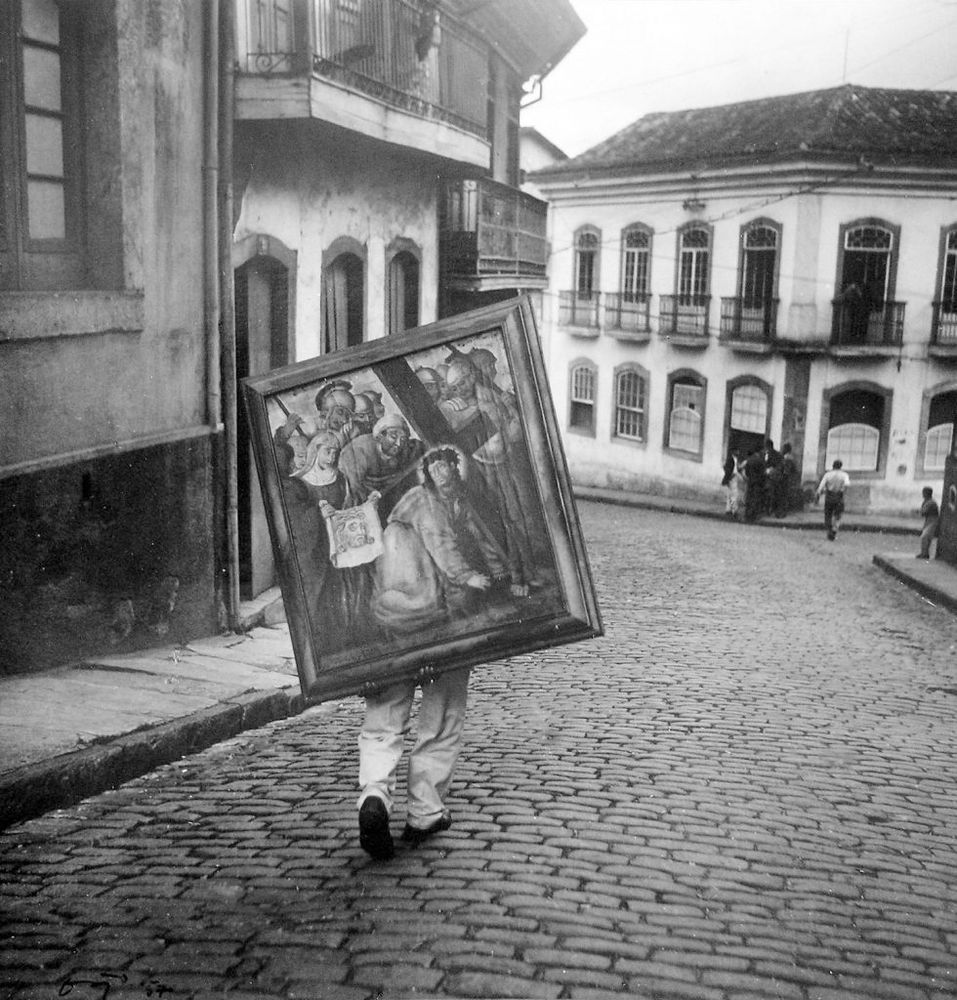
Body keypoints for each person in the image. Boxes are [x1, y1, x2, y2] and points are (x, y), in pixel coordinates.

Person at [357, 446, 528, 861]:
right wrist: (469, 577)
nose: (443, 470)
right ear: (426, 470)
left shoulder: (457, 501)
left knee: (389, 702)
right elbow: (444, 545)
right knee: (443, 703)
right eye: (435, 464)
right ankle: (425, 810)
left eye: (450, 463)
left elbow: (481, 541)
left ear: (457, 467)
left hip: (400, 606)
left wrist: (506, 574)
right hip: (420, 596)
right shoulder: (425, 500)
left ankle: (375, 794)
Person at [339, 413, 426, 520]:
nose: (398, 444)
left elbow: (419, 447)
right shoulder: (359, 451)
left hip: (388, 496)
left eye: (403, 439)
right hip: (364, 500)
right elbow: (355, 489)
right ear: (380, 436)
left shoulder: (405, 450)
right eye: (393, 437)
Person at [816, 459, 851, 540]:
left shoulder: (828, 475)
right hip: (839, 496)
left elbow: (821, 486)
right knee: (838, 514)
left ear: (833, 466)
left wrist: (818, 494)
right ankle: (834, 529)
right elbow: (847, 484)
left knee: (828, 514)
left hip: (829, 496)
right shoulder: (844, 475)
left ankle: (829, 530)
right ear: (841, 466)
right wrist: (843, 490)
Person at [743, 445, 767, 523]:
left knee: (749, 498)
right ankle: (753, 516)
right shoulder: (760, 461)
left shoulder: (749, 460)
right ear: (759, 451)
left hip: (750, 481)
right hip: (758, 482)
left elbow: (746, 472)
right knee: (756, 498)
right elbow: (763, 473)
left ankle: (747, 515)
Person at [917, 486, 940, 559]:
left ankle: (925, 554)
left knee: (925, 536)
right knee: (926, 537)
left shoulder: (931, 502)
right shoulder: (928, 501)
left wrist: (919, 512)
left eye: (924, 492)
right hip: (929, 520)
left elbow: (923, 512)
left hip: (933, 520)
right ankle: (924, 553)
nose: (923, 494)